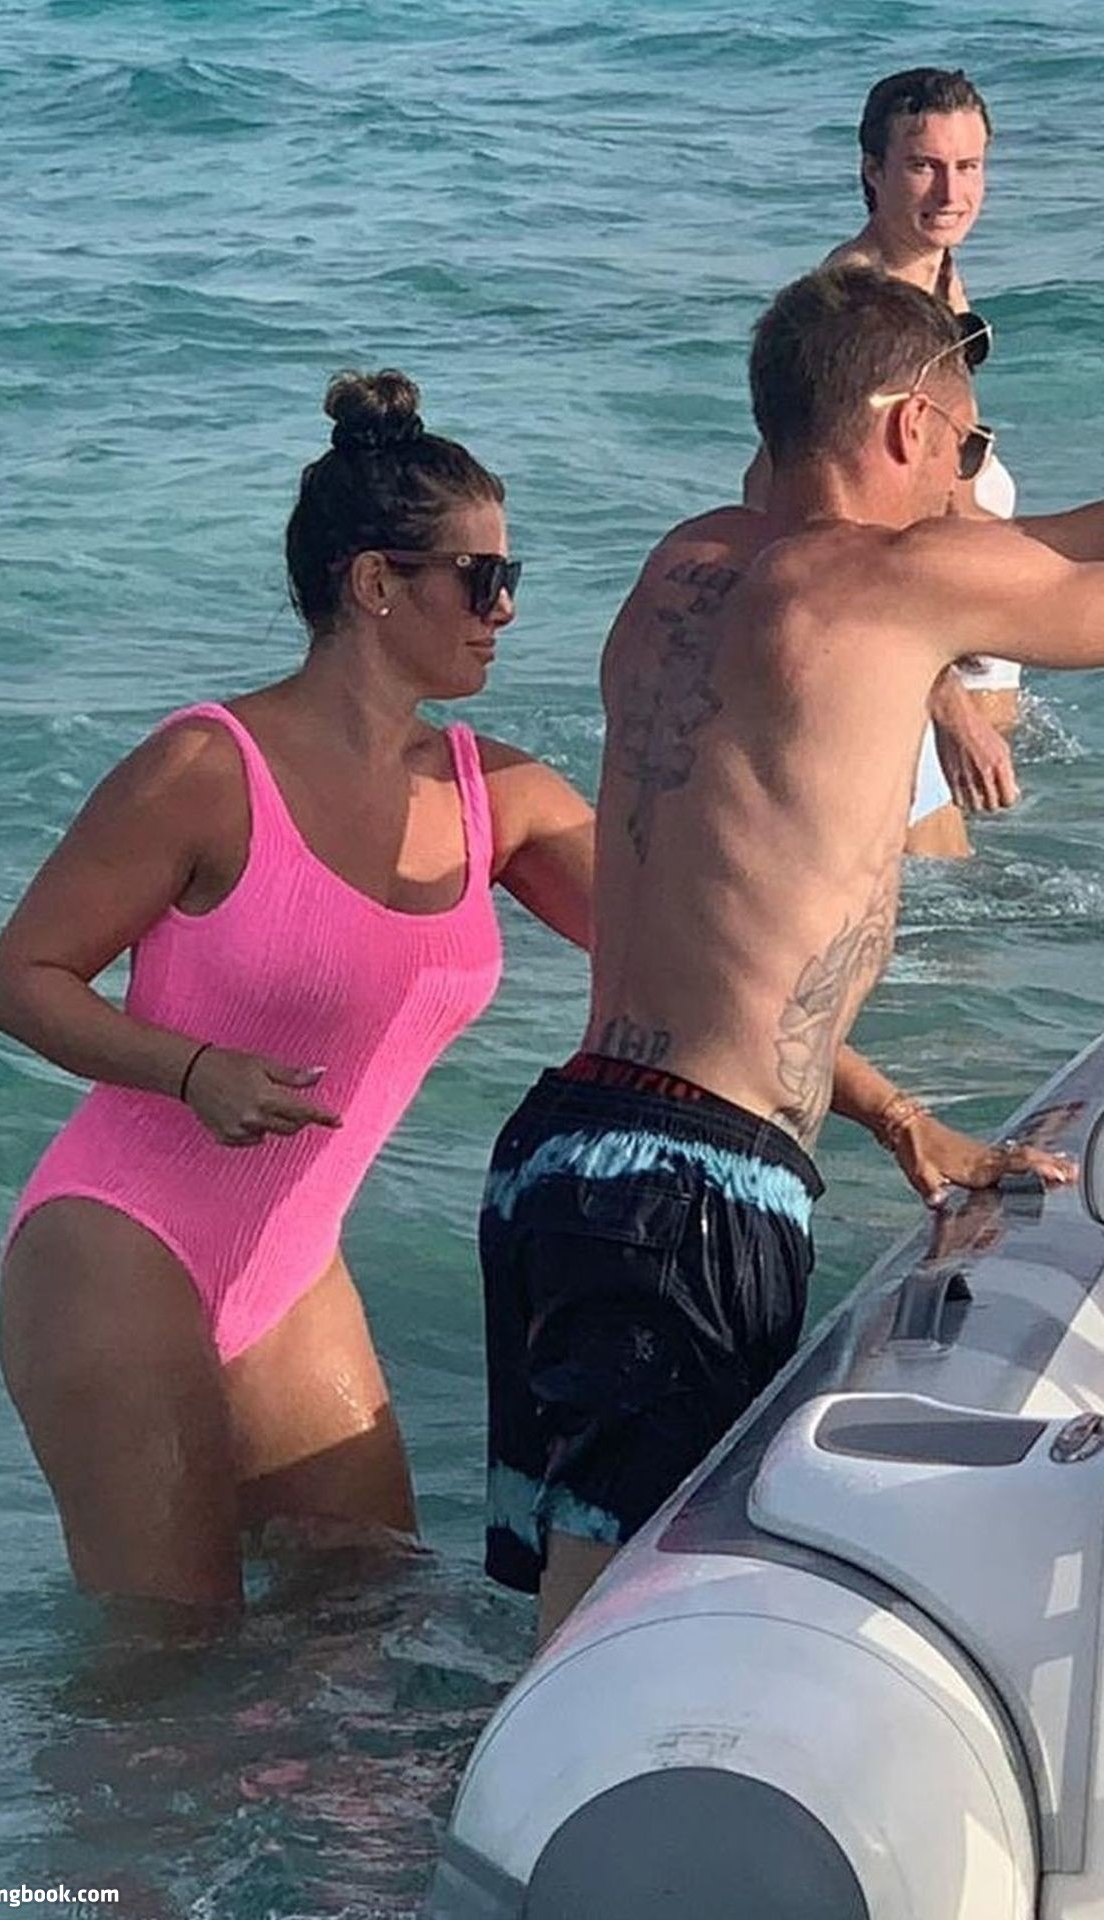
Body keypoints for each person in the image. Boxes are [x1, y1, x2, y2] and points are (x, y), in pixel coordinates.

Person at [481, 267, 1096, 1642]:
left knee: (570, 1614)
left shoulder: (682, 564)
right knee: (618, 1637)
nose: (963, 484)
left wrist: (896, 1113)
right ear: (902, 424)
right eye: (962, 446)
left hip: (563, 1157)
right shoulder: (883, 588)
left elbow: (728, 923)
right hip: (692, 1193)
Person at [0, 369, 595, 1621]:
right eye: (481, 578)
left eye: (509, 576)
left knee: (367, 1615)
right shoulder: (206, 769)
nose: (505, 610)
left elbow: (698, 956)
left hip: (291, 1274)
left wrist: (889, 1111)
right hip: (115, 1249)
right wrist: (191, 1071)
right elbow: (22, 979)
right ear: (375, 583)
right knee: (170, 1664)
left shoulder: (495, 794)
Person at [746, 67, 1019, 857]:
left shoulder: (933, 267)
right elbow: (801, 507)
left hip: (956, 598)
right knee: (935, 885)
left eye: (968, 166)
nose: (950, 192)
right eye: (923, 166)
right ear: (871, 170)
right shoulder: (851, 307)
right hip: (905, 619)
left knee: (1002, 839)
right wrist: (947, 703)